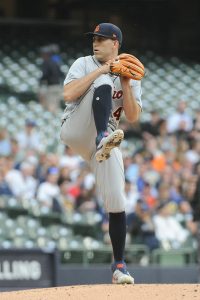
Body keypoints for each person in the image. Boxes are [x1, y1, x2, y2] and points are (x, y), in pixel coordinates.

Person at [60, 22, 142, 284]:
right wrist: (104, 70)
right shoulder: (83, 63)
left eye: (102, 38)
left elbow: (133, 116)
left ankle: (119, 266)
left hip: (106, 140)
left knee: (117, 200)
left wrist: (127, 83)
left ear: (115, 43)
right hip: (77, 128)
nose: (95, 42)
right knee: (103, 78)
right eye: (94, 38)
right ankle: (101, 138)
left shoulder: (127, 70)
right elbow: (68, 94)